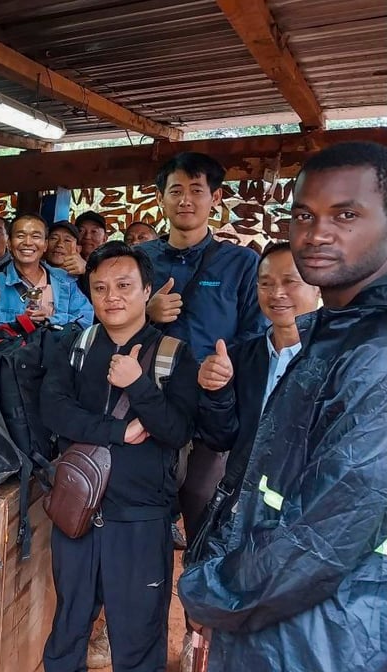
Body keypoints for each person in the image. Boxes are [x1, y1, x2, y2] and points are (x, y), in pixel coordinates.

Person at [178, 141, 387, 672]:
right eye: (303, 215)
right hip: (276, 623)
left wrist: (211, 590)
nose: (317, 233)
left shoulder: (375, 354)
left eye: (346, 214)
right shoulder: (328, 335)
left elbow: (324, 535)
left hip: (328, 638)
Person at [40, 241, 199, 672]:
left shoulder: (172, 355)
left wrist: (139, 386)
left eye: (124, 285)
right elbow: (54, 408)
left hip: (141, 519)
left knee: (139, 638)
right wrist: (117, 431)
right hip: (77, 514)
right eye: (100, 287)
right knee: (68, 627)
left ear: (147, 291)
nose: (112, 296)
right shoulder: (75, 347)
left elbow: (178, 429)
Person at [136, 152, 267, 542]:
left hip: (211, 405)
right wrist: (146, 312)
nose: (186, 200)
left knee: (201, 501)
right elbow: (107, 323)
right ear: (161, 198)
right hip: (148, 401)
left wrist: (226, 371)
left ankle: (198, 588)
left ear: (216, 197)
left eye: (197, 190)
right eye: (176, 190)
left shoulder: (241, 263)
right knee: (144, 502)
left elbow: (254, 335)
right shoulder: (139, 259)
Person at [195, 242, 320, 511]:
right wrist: (216, 391)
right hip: (245, 505)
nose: (277, 293)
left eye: (290, 282)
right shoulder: (241, 358)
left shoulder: (339, 359)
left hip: (310, 511)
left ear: (318, 286)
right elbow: (221, 439)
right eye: (265, 283)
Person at [0, 213, 94, 334]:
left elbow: (86, 320)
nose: (28, 242)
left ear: (45, 245)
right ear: (9, 243)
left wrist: (51, 320)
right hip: (6, 361)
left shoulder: (65, 282)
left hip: (53, 362)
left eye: (35, 236)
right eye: (20, 236)